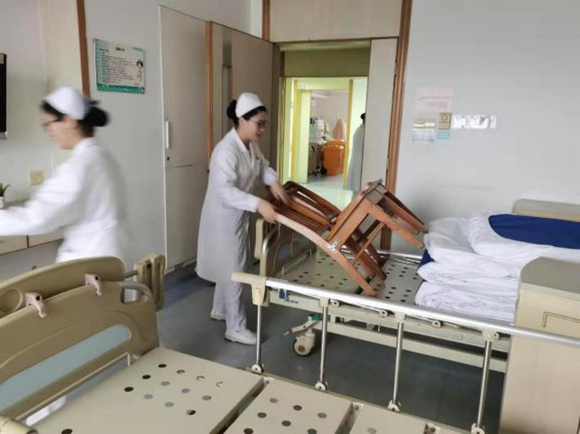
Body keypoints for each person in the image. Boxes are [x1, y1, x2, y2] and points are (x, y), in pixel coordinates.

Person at [197, 92, 289, 345]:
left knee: (228, 264)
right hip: (222, 217)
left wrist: (273, 181)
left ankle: (220, 309)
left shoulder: (250, 144)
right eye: (259, 124)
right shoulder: (225, 151)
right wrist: (259, 203)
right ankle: (235, 327)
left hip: (236, 215)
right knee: (234, 268)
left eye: (264, 124)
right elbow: (225, 191)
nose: (262, 129)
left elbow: (262, 166)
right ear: (242, 120)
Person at [0, 86, 128, 264]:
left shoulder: (79, 165)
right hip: (110, 258)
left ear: (69, 121)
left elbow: (38, 218)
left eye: (49, 123)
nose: (49, 131)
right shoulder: (103, 156)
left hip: (89, 264)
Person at [346, 113, 365, 193]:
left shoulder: (360, 130)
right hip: (359, 162)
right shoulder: (362, 131)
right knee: (357, 190)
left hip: (357, 162)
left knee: (356, 190)